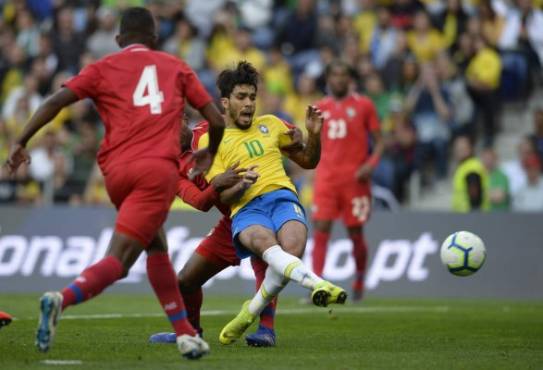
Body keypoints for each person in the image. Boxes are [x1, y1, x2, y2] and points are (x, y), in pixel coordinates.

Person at [4, 7, 225, 360]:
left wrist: (21, 141)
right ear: (154, 38)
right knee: (120, 261)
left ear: (120, 40)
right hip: (156, 171)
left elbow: (57, 100)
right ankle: (62, 298)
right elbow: (215, 118)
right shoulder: (175, 66)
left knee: (156, 245)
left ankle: (185, 334)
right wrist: (210, 153)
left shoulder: (102, 67)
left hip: (114, 173)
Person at [196, 61, 346, 345]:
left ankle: (250, 310)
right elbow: (222, 196)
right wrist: (242, 183)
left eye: (252, 97)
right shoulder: (211, 139)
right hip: (246, 207)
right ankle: (316, 283)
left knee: (293, 249)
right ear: (225, 102)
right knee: (268, 248)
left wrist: (314, 134)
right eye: (241, 97)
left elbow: (309, 161)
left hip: (282, 197)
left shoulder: (272, 124)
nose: (249, 104)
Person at [149, 120, 304, 347]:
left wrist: (295, 133)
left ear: (182, 120)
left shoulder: (209, 128)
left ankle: (266, 330)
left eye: (174, 125)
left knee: (265, 259)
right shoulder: (171, 169)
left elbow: (258, 128)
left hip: (260, 203)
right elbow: (200, 202)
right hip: (232, 218)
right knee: (185, 281)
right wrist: (216, 185)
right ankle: (191, 332)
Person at [311, 60, 384, 301]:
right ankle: (317, 284)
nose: (339, 79)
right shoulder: (319, 108)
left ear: (349, 79)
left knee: (355, 232)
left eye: (343, 75)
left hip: (355, 180)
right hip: (326, 179)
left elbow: (380, 142)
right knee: (321, 228)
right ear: (328, 79)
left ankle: (360, 279)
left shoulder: (364, 105)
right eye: (335, 75)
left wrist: (370, 166)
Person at [451, 136, 489, 212]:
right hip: (465, 216)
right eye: (457, 148)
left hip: (470, 217)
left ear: (470, 149)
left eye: (462, 148)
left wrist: (474, 214)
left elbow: (474, 193)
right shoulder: (464, 166)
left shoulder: (471, 167)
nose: (459, 151)